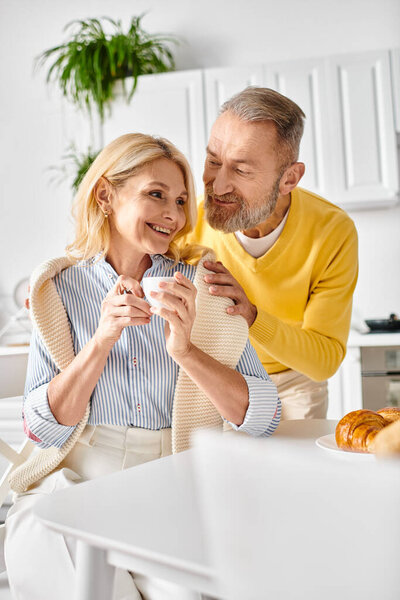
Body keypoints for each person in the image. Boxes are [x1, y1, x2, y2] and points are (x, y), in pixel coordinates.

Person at [5, 133, 280, 600]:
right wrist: (101, 341)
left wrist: (186, 351)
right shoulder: (59, 288)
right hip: (78, 479)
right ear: (106, 195)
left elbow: (264, 418)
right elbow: (41, 429)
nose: (173, 215)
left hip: (170, 482)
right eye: (156, 194)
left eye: (180, 200)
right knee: (48, 538)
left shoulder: (203, 284)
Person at [181, 87, 358, 419]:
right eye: (213, 161)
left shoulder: (332, 231)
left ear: (289, 178)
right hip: (217, 375)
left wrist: (252, 316)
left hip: (294, 383)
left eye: (242, 170)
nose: (217, 186)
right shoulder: (187, 222)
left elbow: (323, 361)